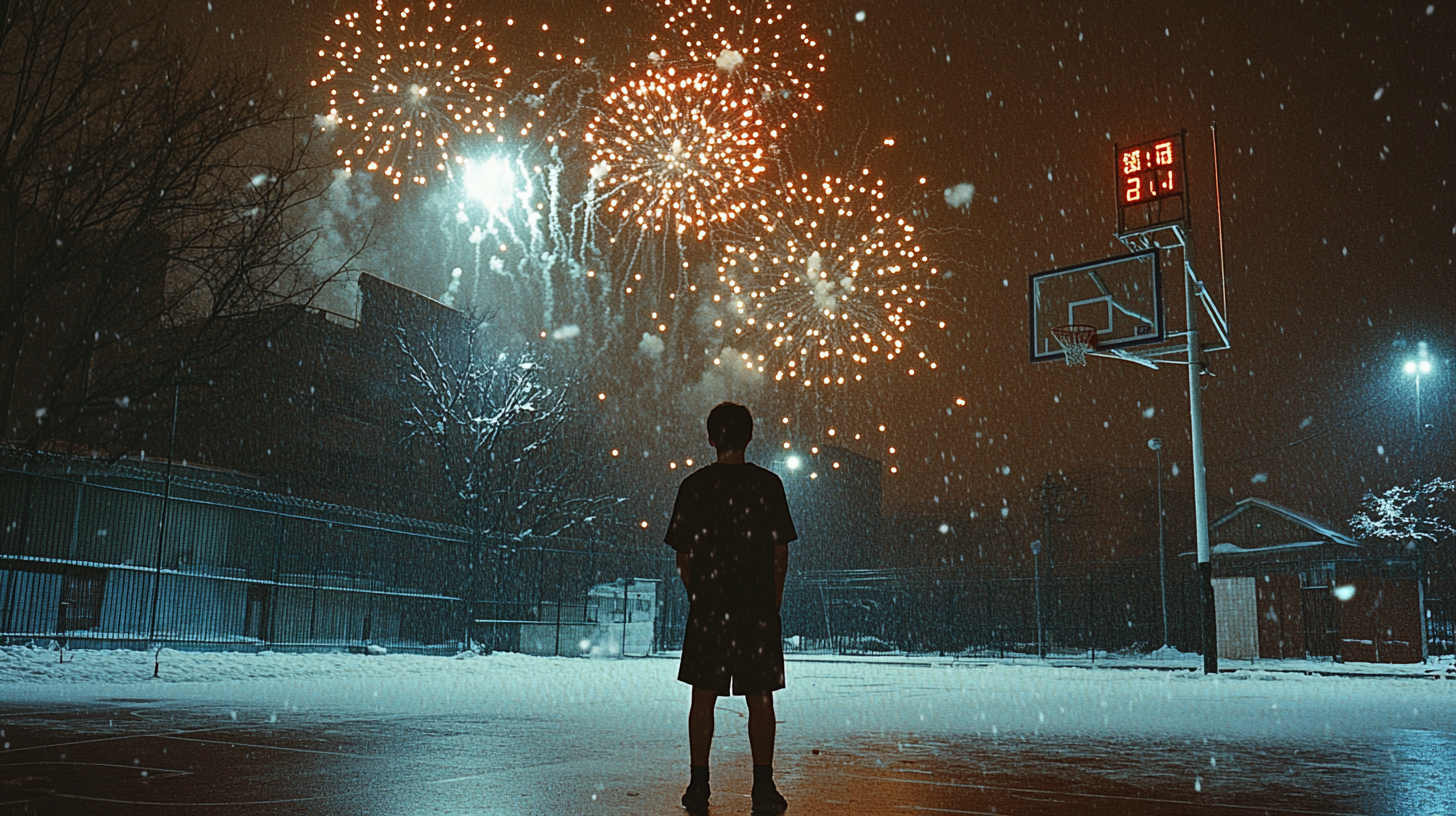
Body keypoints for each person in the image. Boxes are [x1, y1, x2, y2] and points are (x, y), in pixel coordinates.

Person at [665, 402, 796, 815]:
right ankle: (763, 784)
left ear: (711, 438)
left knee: (702, 697)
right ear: (749, 437)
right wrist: (770, 602)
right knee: (760, 698)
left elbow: (682, 557)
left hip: (710, 609)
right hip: (755, 607)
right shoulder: (768, 485)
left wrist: (700, 596)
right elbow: (780, 553)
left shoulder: (694, 486)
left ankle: (699, 784)